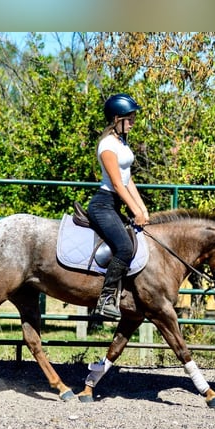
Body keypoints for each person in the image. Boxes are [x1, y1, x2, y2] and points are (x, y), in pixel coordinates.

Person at [86, 93, 150, 320]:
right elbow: (115, 183)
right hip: (103, 204)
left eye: (133, 118)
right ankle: (105, 300)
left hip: (114, 204)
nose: (133, 122)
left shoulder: (122, 143)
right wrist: (133, 210)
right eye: (129, 118)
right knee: (124, 247)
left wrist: (142, 209)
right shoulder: (107, 145)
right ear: (116, 119)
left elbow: (127, 179)